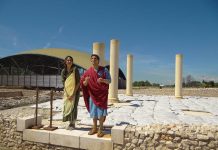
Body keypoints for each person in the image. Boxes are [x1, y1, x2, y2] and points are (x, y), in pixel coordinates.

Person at [80, 54, 111, 137]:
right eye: (92, 58)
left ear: (98, 60)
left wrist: (103, 80)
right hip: (92, 95)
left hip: (102, 95)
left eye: (95, 58)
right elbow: (83, 84)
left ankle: (100, 128)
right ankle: (94, 128)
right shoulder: (88, 72)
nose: (93, 60)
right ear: (90, 60)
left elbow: (109, 81)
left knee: (101, 112)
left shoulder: (104, 70)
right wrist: (85, 82)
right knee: (94, 112)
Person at [61, 56, 80, 130]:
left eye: (70, 60)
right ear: (65, 61)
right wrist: (68, 94)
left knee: (73, 106)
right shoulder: (63, 71)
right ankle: (69, 122)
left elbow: (78, 82)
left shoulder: (75, 70)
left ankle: (72, 123)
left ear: (72, 61)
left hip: (75, 91)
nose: (69, 61)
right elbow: (64, 83)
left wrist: (73, 93)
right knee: (67, 106)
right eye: (67, 60)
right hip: (67, 92)